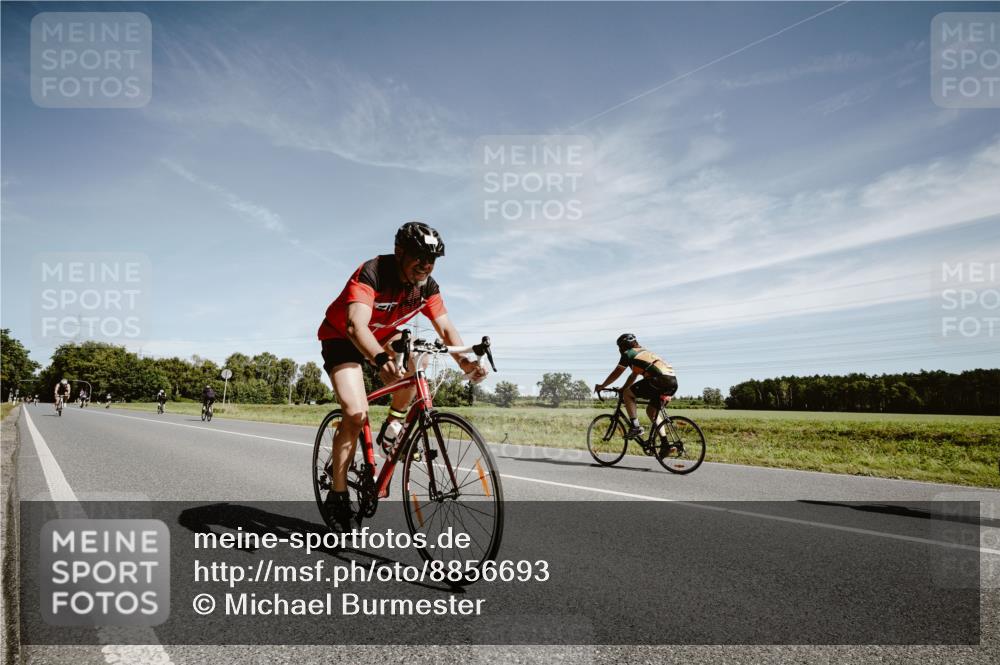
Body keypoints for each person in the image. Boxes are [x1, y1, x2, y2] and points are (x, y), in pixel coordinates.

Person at [316, 222, 487, 530]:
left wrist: (466, 363)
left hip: (383, 336)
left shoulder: (427, 287)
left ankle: (393, 425)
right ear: (399, 252)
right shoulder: (373, 272)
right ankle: (337, 495)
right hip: (342, 337)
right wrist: (380, 358)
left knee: (417, 359)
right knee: (355, 413)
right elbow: (356, 325)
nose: (426, 265)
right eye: (419, 256)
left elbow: (446, 329)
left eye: (432, 259)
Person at [595, 333, 678, 438]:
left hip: (658, 380)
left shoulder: (628, 353)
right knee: (652, 411)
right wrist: (624, 388)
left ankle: (635, 427)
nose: (619, 350)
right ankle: (666, 444)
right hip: (672, 382)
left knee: (627, 394)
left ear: (623, 346)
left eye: (619, 347)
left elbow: (617, 372)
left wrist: (602, 386)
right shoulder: (644, 352)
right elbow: (633, 375)